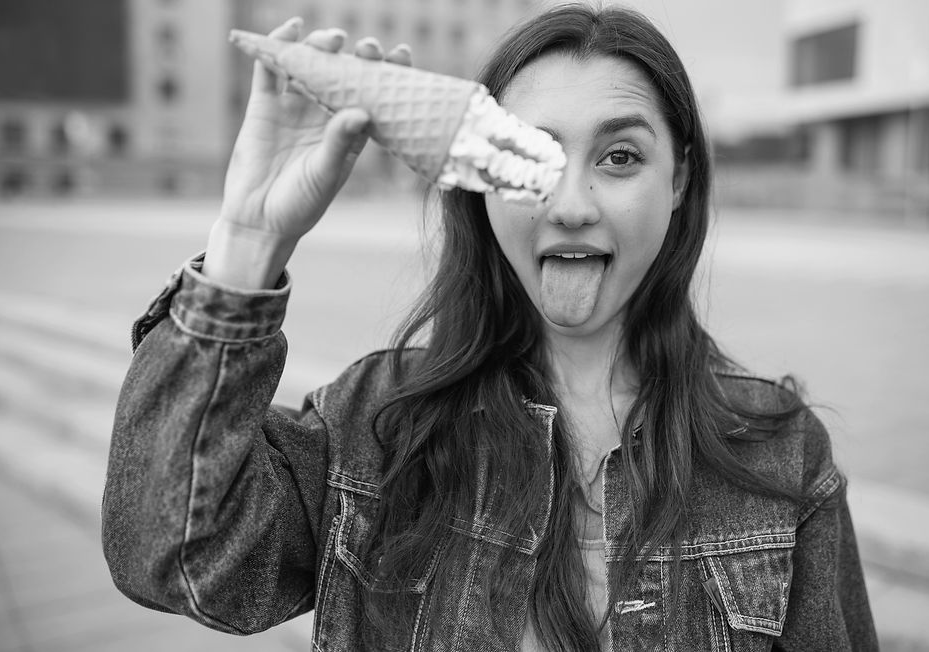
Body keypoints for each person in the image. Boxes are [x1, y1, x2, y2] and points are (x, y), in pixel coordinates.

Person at [102, 5, 878, 651]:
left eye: (618, 156)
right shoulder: (377, 428)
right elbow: (173, 556)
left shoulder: (781, 450)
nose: (571, 204)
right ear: (478, 187)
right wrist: (248, 238)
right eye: (531, 155)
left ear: (678, 182)